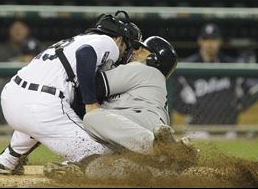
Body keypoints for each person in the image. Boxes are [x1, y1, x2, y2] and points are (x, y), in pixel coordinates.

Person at [0, 11, 143, 175]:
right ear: (119, 39)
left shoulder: (76, 40)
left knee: (38, 122)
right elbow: (85, 54)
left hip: (12, 97)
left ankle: (8, 159)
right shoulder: (108, 41)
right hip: (42, 105)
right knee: (105, 156)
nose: (126, 51)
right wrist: (91, 103)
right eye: (128, 46)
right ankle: (68, 168)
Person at [43, 36, 198, 180]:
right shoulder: (150, 79)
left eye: (142, 50)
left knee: (92, 117)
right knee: (106, 166)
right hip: (136, 129)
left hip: (138, 122)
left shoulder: (144, 70)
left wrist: (105, 56)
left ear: (153, 60)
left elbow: (95, 85)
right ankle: (159, 172)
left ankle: (159, 148)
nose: (135, 51)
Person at [174, 23, 257, 138]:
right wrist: (193, 110)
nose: (210, 43)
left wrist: (237, 107)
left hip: (228, 128)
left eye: (213, 39)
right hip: (197, 129)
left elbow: (247, 92)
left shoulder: (231, 66)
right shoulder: (187, 67)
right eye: (206, 39)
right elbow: (175, 98)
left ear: (220, 41)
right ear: (200, 41)